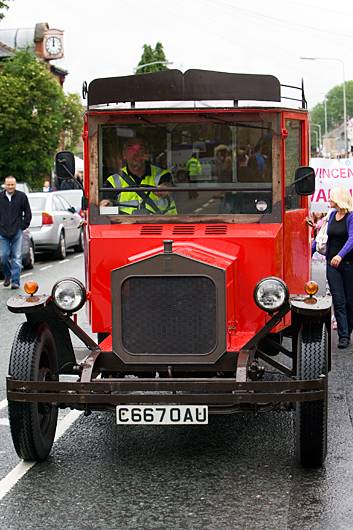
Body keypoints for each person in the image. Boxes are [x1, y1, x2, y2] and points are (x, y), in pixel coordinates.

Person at [101, 136, 177, 215]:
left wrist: (164, 189)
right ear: (124, 154)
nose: (136, 153)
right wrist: (106, 204)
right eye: (131, 148)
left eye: (140, 148)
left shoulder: (162, 175)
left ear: (146, 154)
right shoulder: (113, 180)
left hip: (161, 223)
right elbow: (106, 202)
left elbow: (167, 186)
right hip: (125, 225)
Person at [322, 187, 353, 348]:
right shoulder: (332, 215)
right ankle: (343, 336)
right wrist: (308, 250)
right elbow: (324, 236)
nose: (329, 199)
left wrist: (340, 255)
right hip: (331, 265)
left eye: (331, 197)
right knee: (339, 300)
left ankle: (348, 329)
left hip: (348, 264)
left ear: (339, 198)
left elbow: (352, 239)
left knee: (350, 301)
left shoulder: (351, 217)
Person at [0, 176, 32, 289]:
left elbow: (28, 213)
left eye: (12, 184)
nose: (10, 187)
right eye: (8, 185)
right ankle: (7, 275)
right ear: (4, 185)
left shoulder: (21, 197)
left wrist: (22, 226)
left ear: (15, 185)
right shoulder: (0, 197)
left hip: (17, 231)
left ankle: (15, 281)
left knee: (17, 257)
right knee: (3, 256)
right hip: (2, 232)